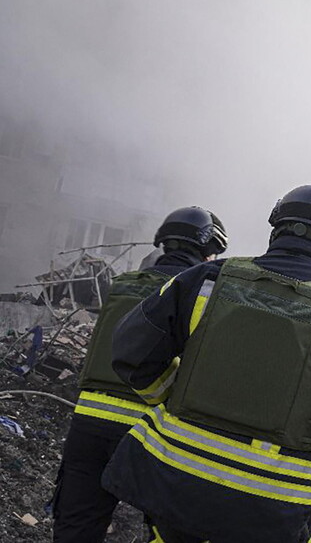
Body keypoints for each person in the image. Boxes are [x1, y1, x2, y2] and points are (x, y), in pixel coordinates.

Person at [102, 185, 311, 543]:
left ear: (275, 230)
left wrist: (171, 391)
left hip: (174, 480)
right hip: (272, 504)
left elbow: (130, 349)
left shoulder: (204, 281)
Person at [52, 207, 226, 542]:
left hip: (88, 424)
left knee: (76, 524)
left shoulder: (124, 285)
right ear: (208, 249)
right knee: (168, 529)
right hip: (153, 429)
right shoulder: (202, 295)